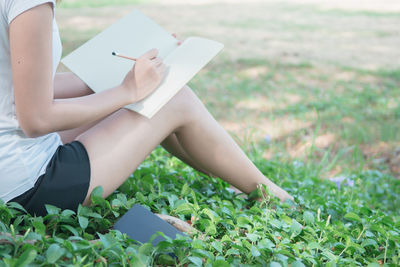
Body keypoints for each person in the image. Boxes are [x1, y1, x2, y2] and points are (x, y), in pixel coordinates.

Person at [0, 0, 293, 217]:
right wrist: (128, 91)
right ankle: (273, 196)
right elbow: (36, 119)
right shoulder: (31, 4)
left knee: (156, 94)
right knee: (174, 99)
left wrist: (121, 77)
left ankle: (239, 180)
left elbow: (26, 87)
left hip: (9, 167)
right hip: (28, 188)